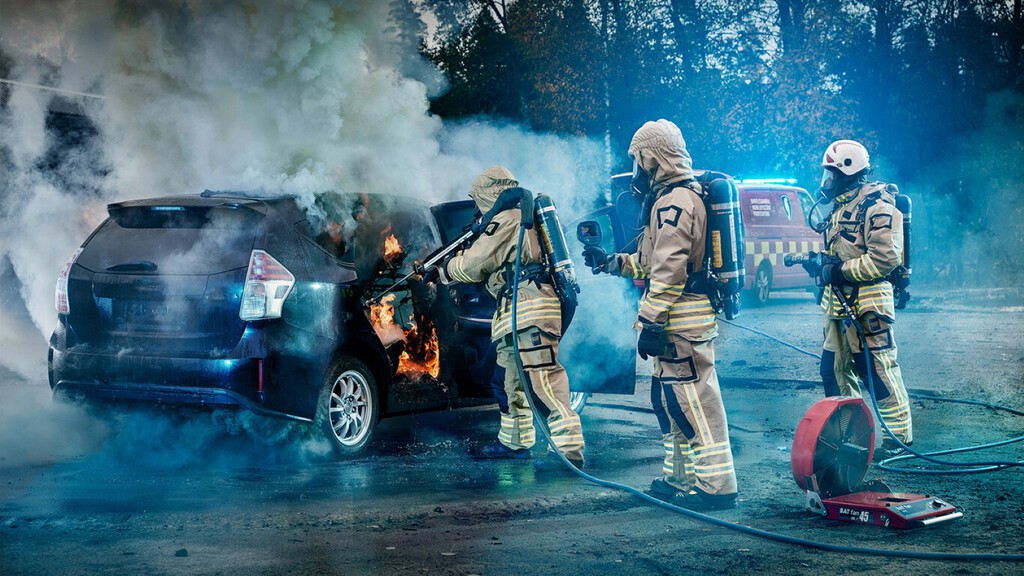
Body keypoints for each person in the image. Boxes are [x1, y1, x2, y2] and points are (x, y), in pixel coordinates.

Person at [583, 120, 737, 510]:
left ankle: (717, 486)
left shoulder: (675, 202)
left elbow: (669, 269)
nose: (635, 170)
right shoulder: (672, 198)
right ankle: (679, 479)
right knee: (669, 403)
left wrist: (650, 321)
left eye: (637, 161)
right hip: (677, 317)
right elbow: (649, 262)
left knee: (694, 404)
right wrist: (611, 263)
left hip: (681, 319)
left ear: (652, 158)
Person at [434, 165, 586, 472]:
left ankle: (569, 452)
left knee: (544, 381)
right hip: (514, 313)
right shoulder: (518, 218)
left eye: (478, 199)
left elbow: (474, 265)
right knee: (508, 383)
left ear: (488, 195)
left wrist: (445, 269)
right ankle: (516, 443)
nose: (477, 207)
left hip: (530, 311)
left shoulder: (508, 220)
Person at [805, 139, 914, 460]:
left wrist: (838, 272)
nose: (827, 181)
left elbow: (885, 259)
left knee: (877, 372)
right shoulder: (843, 206)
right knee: (833, 370)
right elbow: (842, 252)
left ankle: (899, 442)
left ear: (847, 172)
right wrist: (823, 265)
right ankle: (850, 438)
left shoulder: (878, 205)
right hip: (838, 306)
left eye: (831, 174)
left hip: (868, 305)